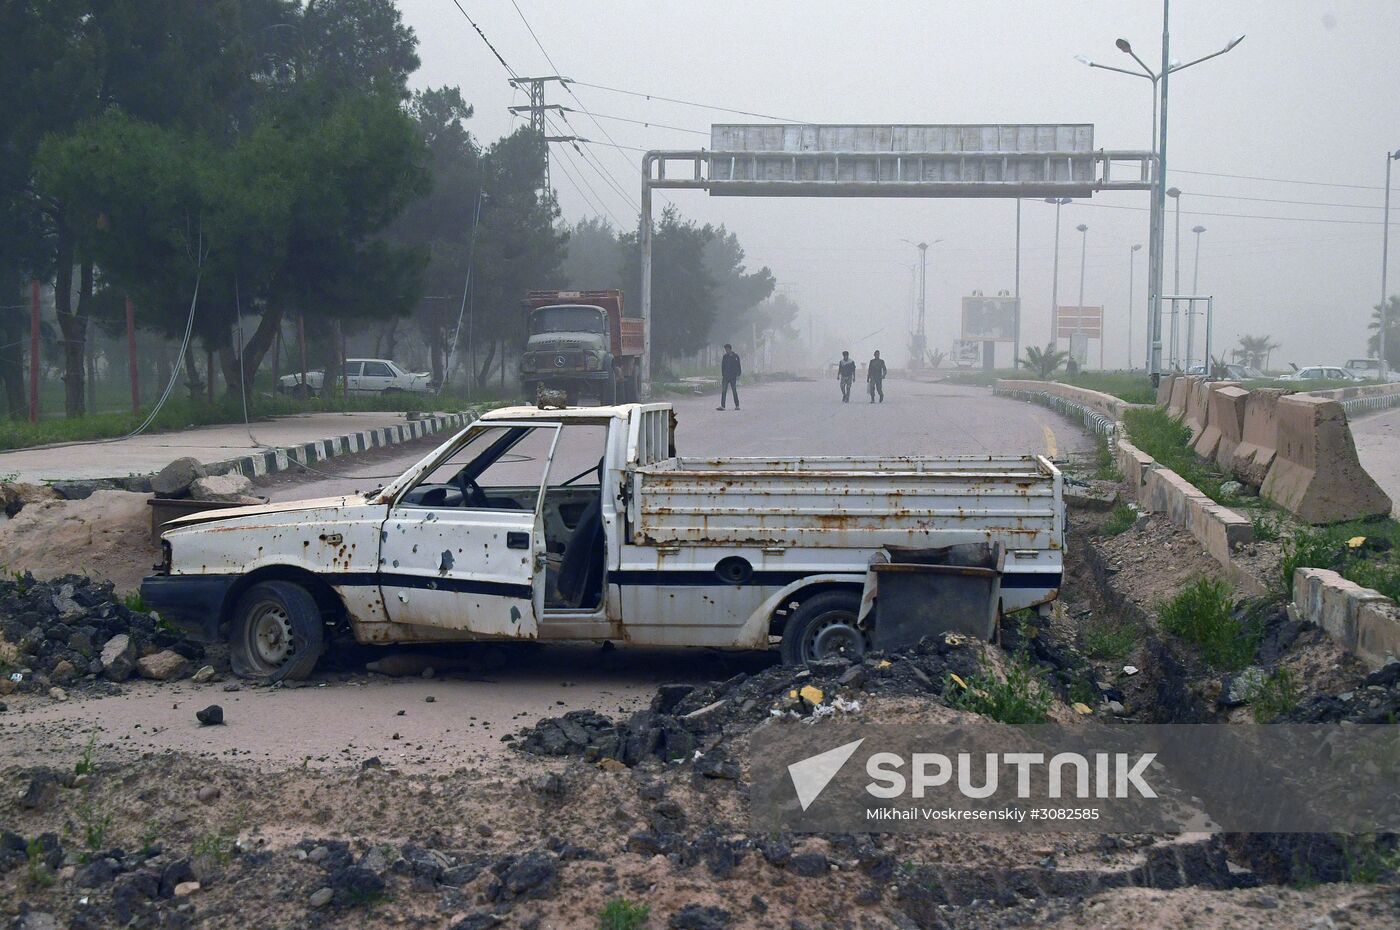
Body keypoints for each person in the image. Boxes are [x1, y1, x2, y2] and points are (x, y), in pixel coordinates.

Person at [717, 343, 741, 411]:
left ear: (730, 349)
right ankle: (722, 406)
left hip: (733, 376)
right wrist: (723, 374)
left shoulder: (735, 356)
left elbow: (738, 366)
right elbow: (723, 366)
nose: (726, 350)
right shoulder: (725, 357)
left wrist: (738, 374)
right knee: (723, 391)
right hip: (726, 376)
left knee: (734, 391)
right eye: (725, 349)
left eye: (727, 349)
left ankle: (737, 405)